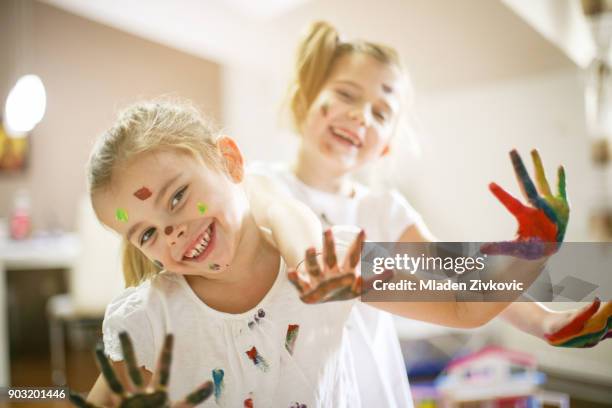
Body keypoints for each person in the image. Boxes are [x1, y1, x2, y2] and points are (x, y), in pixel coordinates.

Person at [84, 100, 551, 407]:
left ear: (229, 161)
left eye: (178, 197)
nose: (173, 234)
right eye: (146, 235)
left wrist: (532, 255)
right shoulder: (148, 321)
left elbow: (463, 305)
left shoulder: (335, 262)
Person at [249, 20, 612, 407]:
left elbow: (462, 277)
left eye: (381, 113)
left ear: (386, 145)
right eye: (346, 94)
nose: (361, 117)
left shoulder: (384, 209)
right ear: (305, 95)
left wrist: (547, 322)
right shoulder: (263, 185)